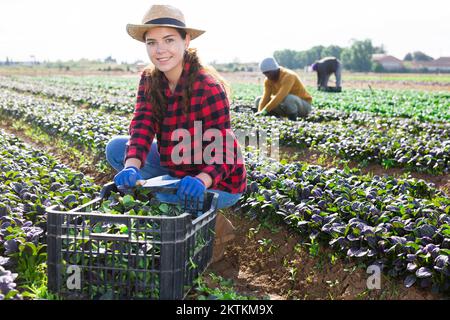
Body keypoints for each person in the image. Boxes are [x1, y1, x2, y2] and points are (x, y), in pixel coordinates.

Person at [105, 4, 246, 262]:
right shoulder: (150, 79)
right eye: (152, 42)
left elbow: (225, 150)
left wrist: (202, 180)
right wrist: (132, 165)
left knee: (159, 193)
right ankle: (178, 201)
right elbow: (142, 126)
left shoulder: (207, 87)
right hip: (177, 166)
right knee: (117, 149)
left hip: (218, 180)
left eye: (169, 40)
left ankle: (213, 226)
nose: (160, 50)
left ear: (186, 40)